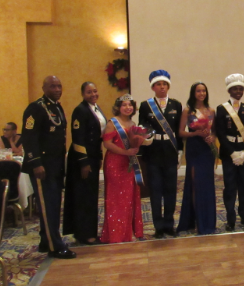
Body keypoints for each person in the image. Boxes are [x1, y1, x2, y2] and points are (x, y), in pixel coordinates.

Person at [21, 75, 76, 259]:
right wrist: (35, 163)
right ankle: (55, 246)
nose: (57, 89)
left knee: (52, 205)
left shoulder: (56, 107)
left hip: (55, 166)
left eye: (59, 86)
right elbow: (29, 138)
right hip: (42, 167)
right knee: (48, 206)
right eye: (53, 86)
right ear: (44, 88)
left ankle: (46, 240)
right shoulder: (35, 108)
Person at [138, 70, 183, 239]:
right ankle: (158, 226)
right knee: (155, 191)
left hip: (170, 153)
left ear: (168, 86)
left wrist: (180, 151)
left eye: (164, 84)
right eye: (158, 84)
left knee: (171, 190)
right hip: (154, 153)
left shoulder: (176, 105)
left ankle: (169, 224)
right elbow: (142, 126)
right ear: (153, 87)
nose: (162, 87)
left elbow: (178, 131)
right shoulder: (145, 105)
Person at [63, 82, 106, 245]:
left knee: (91, 195)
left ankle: (89, 231)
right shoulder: (80, 110)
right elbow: (78, 138)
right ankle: (84, 234)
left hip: (94, 156)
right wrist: (84, 163)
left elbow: (99, 137)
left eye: (95, 91)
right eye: (89, 92)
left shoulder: (96, 108)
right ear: (82, 94)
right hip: (82, 159)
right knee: (84, 197)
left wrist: (100, 155)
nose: (93, 94)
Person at [100, 94, 144, 243]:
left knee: (128, 198)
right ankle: (115, 233)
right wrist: (125, 152)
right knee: (116, 199)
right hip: (115, 163)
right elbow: (107, 143)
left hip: (128, 164)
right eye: (124, 105)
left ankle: (127, 232)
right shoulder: (113, 123)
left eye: (130, 105)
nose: (127, 107)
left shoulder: (133, 124)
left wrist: (135, 148)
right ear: (118, 108)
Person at [215, 73, 244, 231]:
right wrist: (232, 153)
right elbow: (220, 133)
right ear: (229, 90)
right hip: (229, 154)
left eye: (240, 88)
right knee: (230, 186)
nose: (238, 91)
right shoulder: (222, 109)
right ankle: (230, 218)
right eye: (235, 88)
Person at [177, 82, 217, 235]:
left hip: (207, 150)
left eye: (203, 91)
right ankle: (194, 220)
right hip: (194, 148)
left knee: (207, 185)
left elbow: (214, 132)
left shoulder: (211, 110)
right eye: (198, 91)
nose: (201, 93)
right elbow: (181, 132)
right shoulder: (188, 111)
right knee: (195, 183)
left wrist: (212, 138)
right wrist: (194, 134)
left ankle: (207, 221)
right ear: (193, 93)